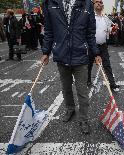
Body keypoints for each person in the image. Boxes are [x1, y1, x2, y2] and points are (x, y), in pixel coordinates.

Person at [41, 0, 102, 134]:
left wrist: (96, 52)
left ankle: (84, 119)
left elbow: (90, 33)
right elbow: (49, 31)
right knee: (66, 87)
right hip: (61, 55)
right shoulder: (49, 3)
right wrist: (46, 52)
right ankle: (70, 109)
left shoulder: (87, 4)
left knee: (82, 91)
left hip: (80, 56)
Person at [87, 0, 120, 90]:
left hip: (103, 45)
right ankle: (88, 81)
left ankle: (112, 84)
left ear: (102, 5)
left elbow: (110, 30)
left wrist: (114, 28)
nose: (99, 3)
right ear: (93, 5)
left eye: (101, 2)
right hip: (91, 45)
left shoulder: (106, 18)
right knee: (88, 64)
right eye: (96, 2)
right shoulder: (89, 16)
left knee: (107, 64)